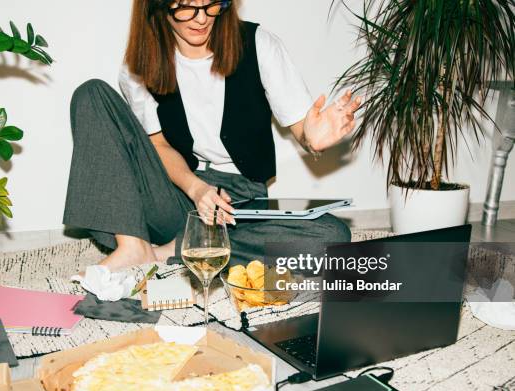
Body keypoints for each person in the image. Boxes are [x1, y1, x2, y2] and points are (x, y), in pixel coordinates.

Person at [63, 0, 361, 271]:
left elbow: (302, 127)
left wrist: (312, 139)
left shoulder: (259, 45)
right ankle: (133, 245)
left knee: (331, 237)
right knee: (91, 94)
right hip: (176, 194)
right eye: (186, 7)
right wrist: (196, 189)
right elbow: (158, 145)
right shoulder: (140, 65)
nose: (201, 18)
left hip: (236, 206)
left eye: (211, 5)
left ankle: (171, 250)